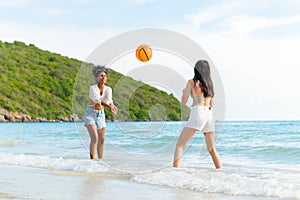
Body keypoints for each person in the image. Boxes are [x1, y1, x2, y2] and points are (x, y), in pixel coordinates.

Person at [173, 60, 222, 169]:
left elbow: (183, 102)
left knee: (180, 145)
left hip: (198, 112)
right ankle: (220, 172)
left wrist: (183, 93)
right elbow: (211, 104)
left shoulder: (192, 82)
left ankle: (174, 173)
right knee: (212, 149)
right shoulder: (210, 85)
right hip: (209, 114)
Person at [84, 65, 117, 159]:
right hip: (90, 114)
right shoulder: (92, 88)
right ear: (96, 77)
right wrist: (109, 106)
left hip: (101, 115)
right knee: (94, 138)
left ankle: (100, 161)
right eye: (101, 75)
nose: (103, 78)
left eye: (105, 76)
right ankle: (92, 161)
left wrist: (112, 105)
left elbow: (109, 99)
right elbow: (97, 100)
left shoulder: (108, 89)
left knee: (101, 140)